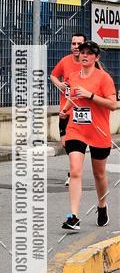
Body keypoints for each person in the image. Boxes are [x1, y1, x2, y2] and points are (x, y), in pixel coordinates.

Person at [59, 40, 116, 230]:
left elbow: (113, 104)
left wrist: (90, 95)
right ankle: (73, 217)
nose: (84, 55)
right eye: (82, 52)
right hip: (76, 130)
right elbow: (73, 96)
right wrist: (65, 110)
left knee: (99, 174)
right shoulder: (73, 76)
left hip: (98, 131)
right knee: (75, 170)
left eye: (89, 53)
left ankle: (102, 205)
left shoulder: (104, 78)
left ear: (96, 57)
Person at [50, 33, 86, 185]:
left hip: (81, 111)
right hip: (65, 110)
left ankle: (74, 173)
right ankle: (75, 169)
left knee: (78, 142)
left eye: (79, 44)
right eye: (74, 43)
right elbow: (53, 75)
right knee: (65, 143)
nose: (76, 47)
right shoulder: (65, 61)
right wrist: (59, 84)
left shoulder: (88, 62)